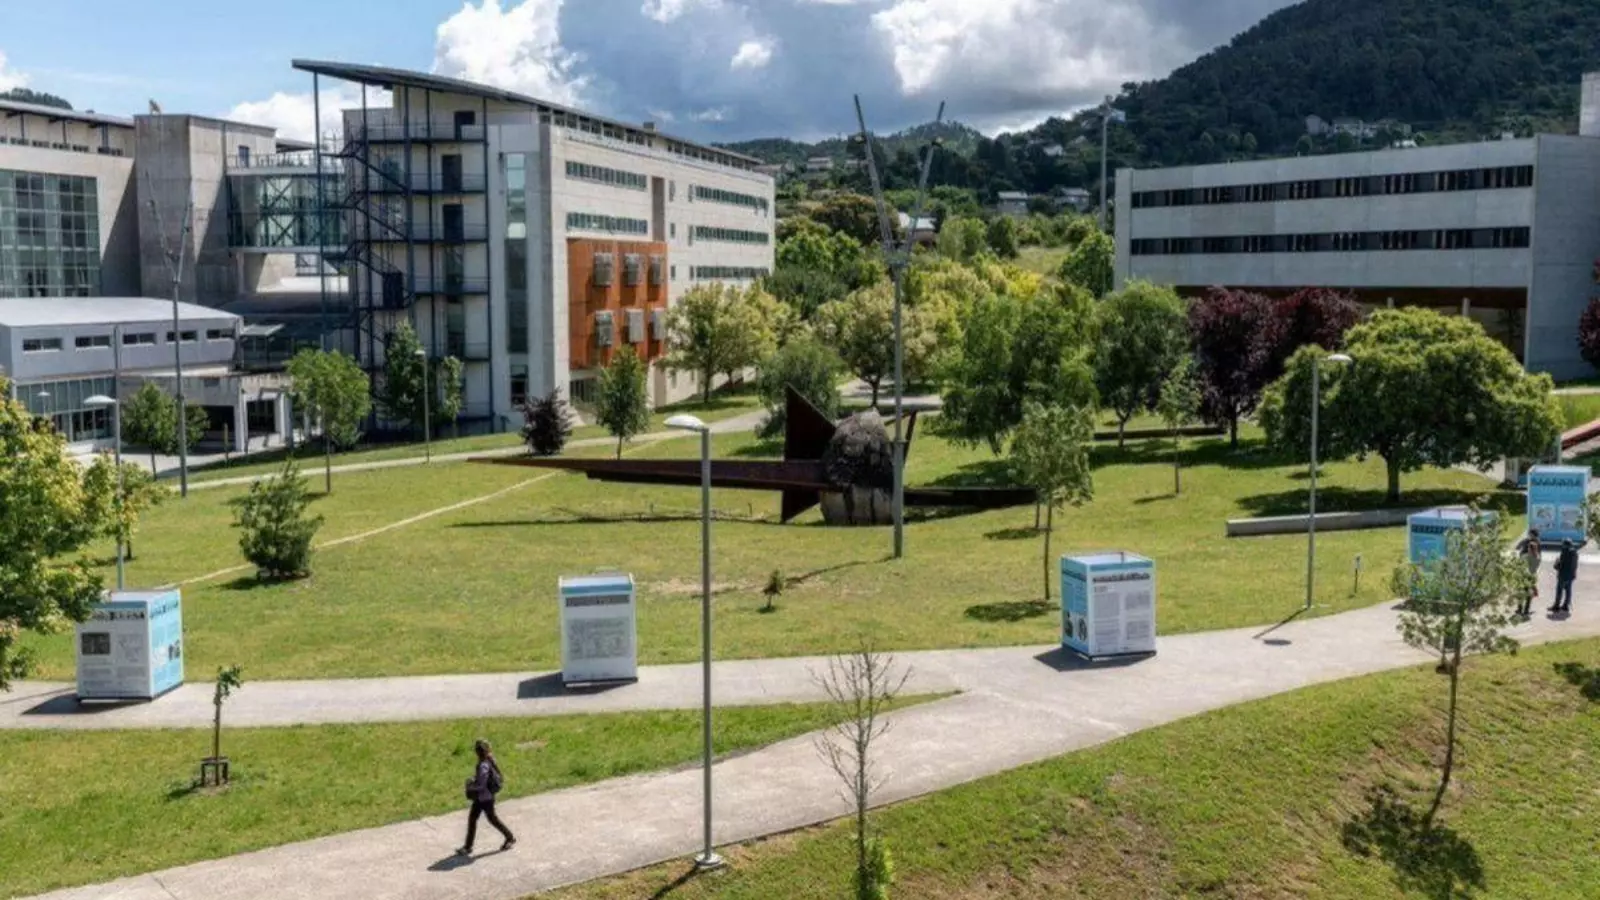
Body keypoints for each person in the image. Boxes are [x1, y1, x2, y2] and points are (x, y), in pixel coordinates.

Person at [457, 739, 515, 856]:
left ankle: (509, 837)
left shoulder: (483, 765)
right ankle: (468, 846)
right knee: (474, 819)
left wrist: (470, 785)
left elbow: (481, 784)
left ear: (477, 752)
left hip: (484, 798)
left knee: (492, 819)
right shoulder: (489, 760)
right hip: (483, 797)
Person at [1516, 529, 1542, 618]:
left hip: (1524, 575)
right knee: (1529, 594)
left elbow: (1519, 562)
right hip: (1532, 576)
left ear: (1529, 549)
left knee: (1521, 592)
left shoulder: (1524, 556)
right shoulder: (1538, 558)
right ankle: (1526, 610)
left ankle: (1520, 609)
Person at [1553, 538, 1579, 614]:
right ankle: (1566, 606)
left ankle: (1556, 606)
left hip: (1563, 575)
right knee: (1568, 591)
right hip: (1571, 575)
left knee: (1559, 591)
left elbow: (1560, 565)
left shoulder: (1564, 552)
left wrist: (1556, 563)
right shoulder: (1575, 552)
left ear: (1565, 545)